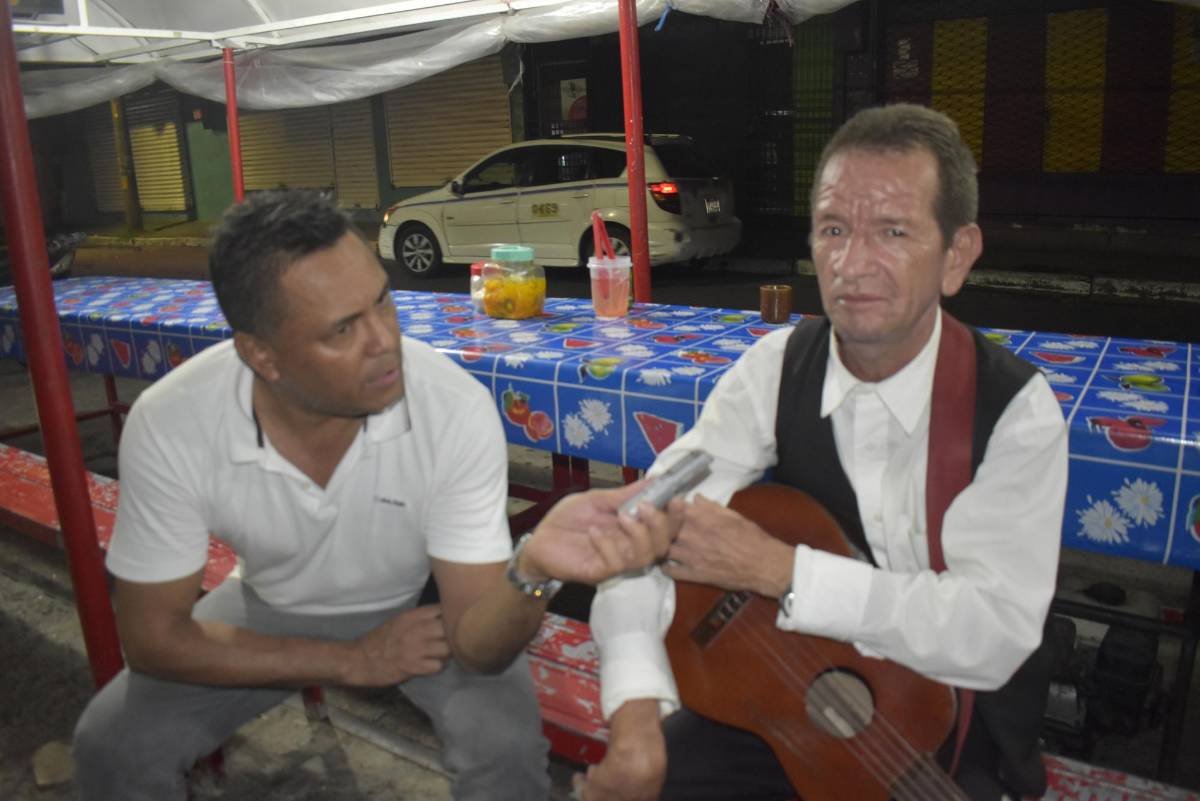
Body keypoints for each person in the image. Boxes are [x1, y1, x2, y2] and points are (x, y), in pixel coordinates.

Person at [72, 189, 682, 801]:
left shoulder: (450, 405)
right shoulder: (173, 420)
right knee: (110, 745)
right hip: (271, 601)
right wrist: (348, 660)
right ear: (262, 355)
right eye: (342, 329)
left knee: (505, 750)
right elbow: (153, 640)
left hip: (424, 603)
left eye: (382, 301)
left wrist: (532, 570)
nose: (384, 342)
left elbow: (479, 645)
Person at [577, 104, 1068, 801]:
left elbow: (991, 633)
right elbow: (640, 529)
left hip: (950, 727)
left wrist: (785, 570)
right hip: (790, 690)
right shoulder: (776, 367)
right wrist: (634, 716)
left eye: (893, 232)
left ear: (956, 256)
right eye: (835, 230)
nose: (853, 263)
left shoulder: (1015, 411)